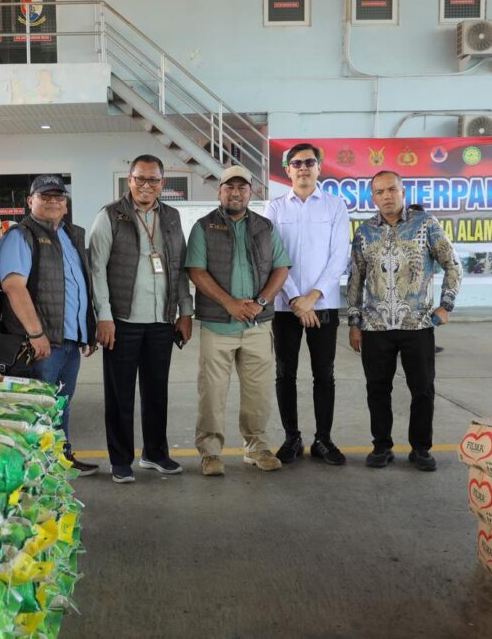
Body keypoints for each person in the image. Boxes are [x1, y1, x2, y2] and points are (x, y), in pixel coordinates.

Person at [347, 170, 462, 472]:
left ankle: (421, 449)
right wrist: (354, 321)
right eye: (380, 192)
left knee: (422, 390)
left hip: (418, 325)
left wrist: (446, 306)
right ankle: (381, 446)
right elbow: (355, 279)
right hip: (375, 327)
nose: (386, 196)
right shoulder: (364, 232)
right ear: (372, 197)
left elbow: (452, 265)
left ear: (403, 191)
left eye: (392, 190)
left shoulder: (426, 225)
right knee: (377, 389)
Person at [89, 154, 193, 483]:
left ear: (163, 183)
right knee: (120, 394)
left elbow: (178, 267)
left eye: (153, 180)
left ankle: (155, 453)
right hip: (122, 320)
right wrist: (104, 317)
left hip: (161, 320)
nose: (146, 186)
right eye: (139, 179)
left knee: (156, 391)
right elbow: (97, 271)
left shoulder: (173, 217)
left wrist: (185, 311)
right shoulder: (110, 216)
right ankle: (121, 460)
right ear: (129, 181)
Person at [186, 165, 291, 477]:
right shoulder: (204, 227)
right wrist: (229, 303)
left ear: (251, 192)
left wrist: (260, 303)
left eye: (241, 187)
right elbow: (196, 270)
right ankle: (210, 453)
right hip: (218, 325)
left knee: (258, 392)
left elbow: (281, 268)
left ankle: (256, 448)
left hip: (257, 326)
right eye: (229, 187)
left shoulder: (265, 227)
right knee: (212, 393)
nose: (235, 192)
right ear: (219, 191)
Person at [0, 174, 100, 477]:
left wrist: (87, 330)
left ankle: (60, 458)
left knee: (61, 403)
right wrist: (36, 333)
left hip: (69, 340)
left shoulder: (71, 236)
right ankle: (34, 466)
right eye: (45, 196)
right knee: (38, 405)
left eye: (59, 197)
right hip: (41, 343)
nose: (53, 201)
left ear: (66, 205)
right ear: (30, 201)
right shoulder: (21, 235)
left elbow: (79, 286)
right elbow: (14, 287)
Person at [265, 143, 349, 466]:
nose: (302, 168)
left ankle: (323, 440)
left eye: (309, 162)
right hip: (286, 307)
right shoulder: (275, 209)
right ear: (287, 170)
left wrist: (312, 297)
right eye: (296, 163)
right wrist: (295, 298)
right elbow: (273, 256)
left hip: (322, 306)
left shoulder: (334, 206)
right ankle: (292, 438)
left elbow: (339, 256)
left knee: (323, 374)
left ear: (319, 167)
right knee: (285, 373)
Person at [408, 203, 445, 355]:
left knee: (426, 314)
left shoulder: (429, 232)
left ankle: (429, 344)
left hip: (423, 284)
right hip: (407, 285)